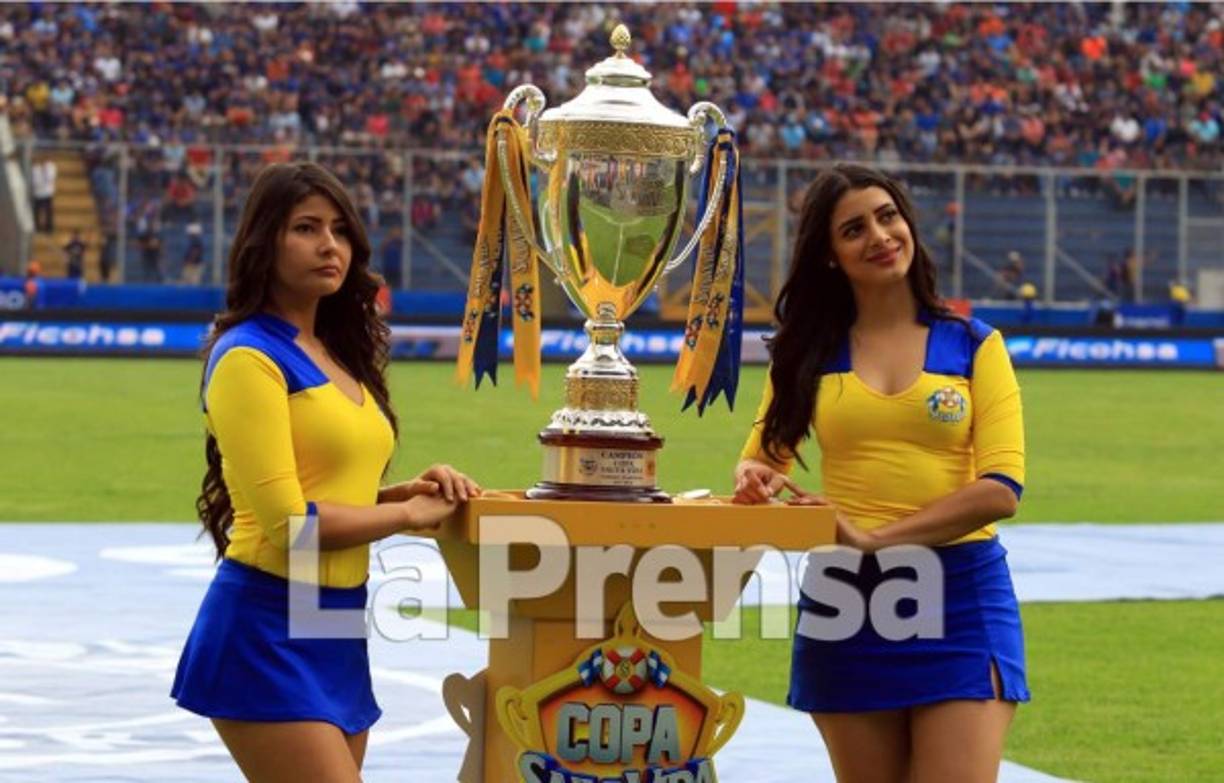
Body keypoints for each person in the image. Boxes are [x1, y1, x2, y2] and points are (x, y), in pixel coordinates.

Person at [171, 162, 481, 782]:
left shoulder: (339, 354)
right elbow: (291, 526)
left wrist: (407, 490)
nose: (329, 245)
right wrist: (405, 514)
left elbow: (337, 489)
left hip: (336, 616)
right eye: (306, 228)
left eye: (340, 230)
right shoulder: (248, 358)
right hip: (264, 622)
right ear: (266, 242)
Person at [734, 163, 1028, 783]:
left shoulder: (975, 346)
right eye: (854, 229)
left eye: (887, 216)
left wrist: (874, 540)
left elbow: (1001, 491)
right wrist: (754, 479)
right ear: (831, 256)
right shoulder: (805, 355)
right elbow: (762, 458)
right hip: (846, 601)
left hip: (960, 594)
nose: (879, 235)